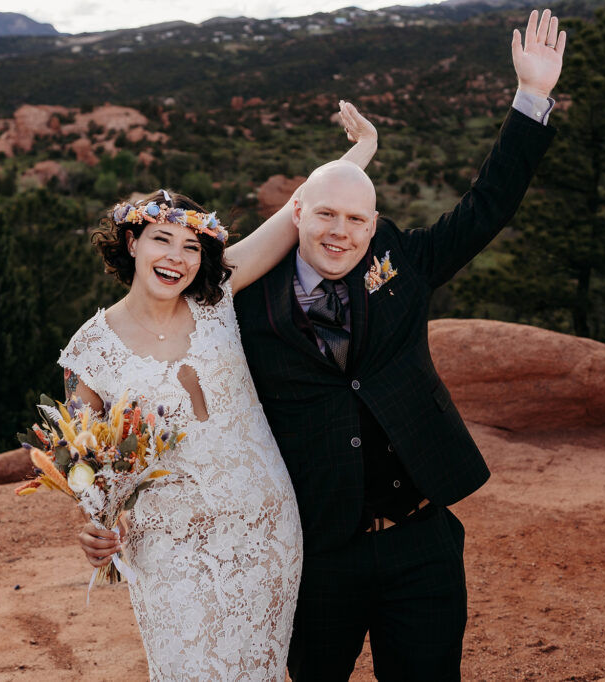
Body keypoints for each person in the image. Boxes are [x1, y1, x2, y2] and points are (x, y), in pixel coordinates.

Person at [231, 9, 566, 680]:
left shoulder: (403, 265)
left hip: (422, 544)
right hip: (316, 558)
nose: (339, 232)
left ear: (373, 226)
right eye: (324, 214)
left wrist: (531, 98)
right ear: (295, 212)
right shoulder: (242, 308)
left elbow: (486, 205)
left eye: (355, 220)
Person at [62, 102, 378, 680]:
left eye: (191, 248)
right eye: (162, 240)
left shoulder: (218, 301)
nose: (176, 259)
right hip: (169, 544)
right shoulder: (91, 350)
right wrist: (96, 525)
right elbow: (83, 460)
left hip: (266, 526)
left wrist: (361, 153)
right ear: (132, 243)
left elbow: (296, 212)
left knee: (260, 669)